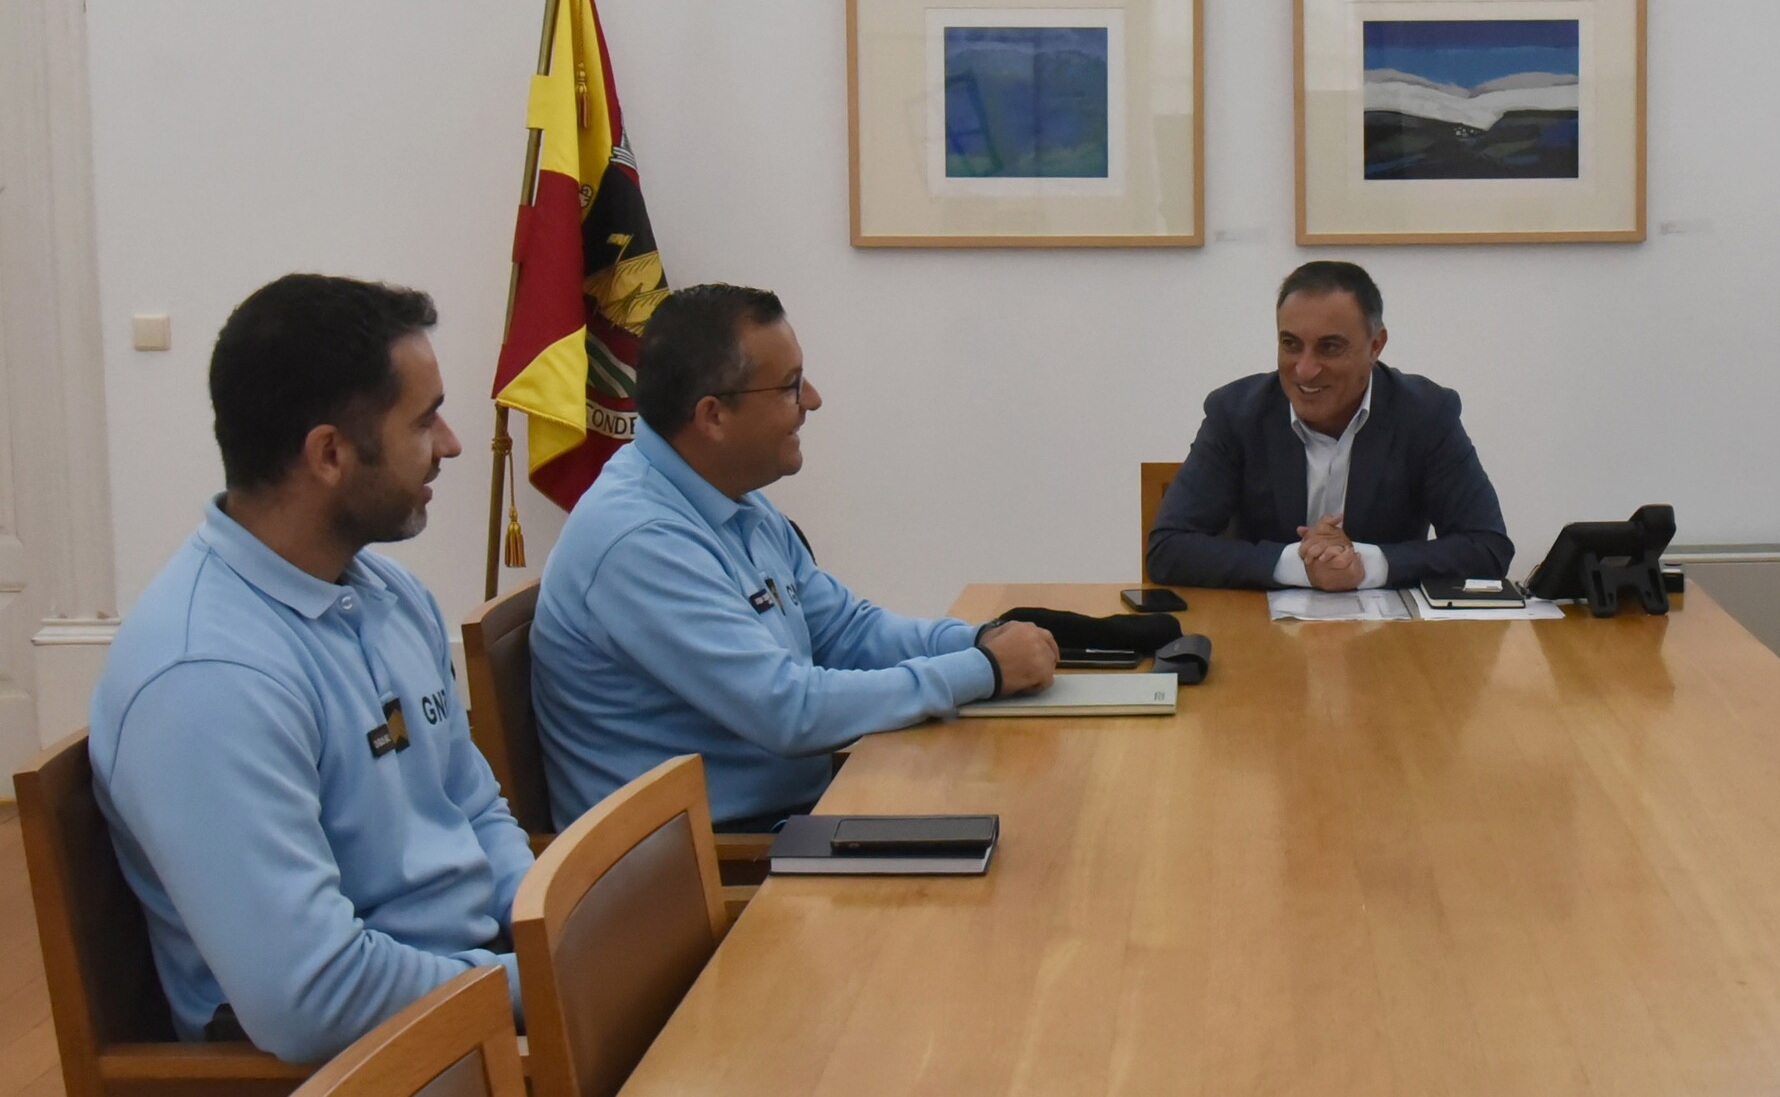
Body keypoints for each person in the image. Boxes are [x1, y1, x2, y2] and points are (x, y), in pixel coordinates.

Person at [88, 275, 532, 1064]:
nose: (451, 444)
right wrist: (541, 981)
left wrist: (550, 922)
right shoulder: (206, 676)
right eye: (423, 420)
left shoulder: (389, 593)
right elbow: (315, 1000)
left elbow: (473, 806)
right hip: (368, 1061)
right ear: (329, 454)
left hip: (472, 994)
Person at [532, 283, 1057, 830]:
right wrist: (984, 669)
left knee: (1020, 803)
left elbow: (847, 633)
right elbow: (790, 711)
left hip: (790, 814)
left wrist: (979, 641)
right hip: (712, 857)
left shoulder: (728, 497)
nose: (813, 400)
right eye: (790, 386)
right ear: (713, 416)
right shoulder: (639, 541)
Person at [1147, 260, 1511, 591]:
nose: (1305, 369)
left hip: (1391, 634)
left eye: (1329, 347)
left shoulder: (1425, 414)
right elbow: (1168, 548)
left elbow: (1488, 547)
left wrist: (1366, 565)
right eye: (1291, 345)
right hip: (1259, 630)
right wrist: (1299, 564)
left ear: (1376, 345)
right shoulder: (1236, 413)